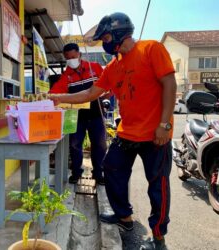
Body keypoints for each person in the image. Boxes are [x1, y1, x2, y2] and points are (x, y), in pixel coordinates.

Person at [50, 13, 176, 250]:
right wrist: (57, 97)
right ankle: (124, 217)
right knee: (111, 168)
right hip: (127, 132)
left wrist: (165, 125)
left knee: (157, 185)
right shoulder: (113, 67)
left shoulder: (151, 49)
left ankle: (159, 238)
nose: (105, 42)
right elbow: (88, 94)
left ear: (119, 32)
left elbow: (170, 83)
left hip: (155, 134)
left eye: (106, 37)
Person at [49, 43, 107, 185]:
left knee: (99, 144)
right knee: (75, 145)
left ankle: (98, 174)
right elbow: (54, 93)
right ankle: (76, 173)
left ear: (79, 54)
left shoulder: (95, 68)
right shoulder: (66, 76)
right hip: (75, 116)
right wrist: (46, 98)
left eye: (73, 57)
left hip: (96, 114)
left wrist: (106, 94)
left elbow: (109, 85)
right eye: (68, 58)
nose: (71, 60)